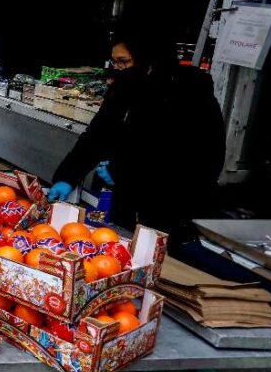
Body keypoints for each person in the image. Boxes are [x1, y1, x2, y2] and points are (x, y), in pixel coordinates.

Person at [47, 35, 225, 241]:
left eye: (124, 61)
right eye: (114, 62)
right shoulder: (124, 86)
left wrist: (127, 175)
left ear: (148, 60)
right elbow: (97, 135)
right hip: (122, 204)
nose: (118, 68)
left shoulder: (190, 94)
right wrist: (68, 176)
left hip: (169, 212)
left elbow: (196, 162)